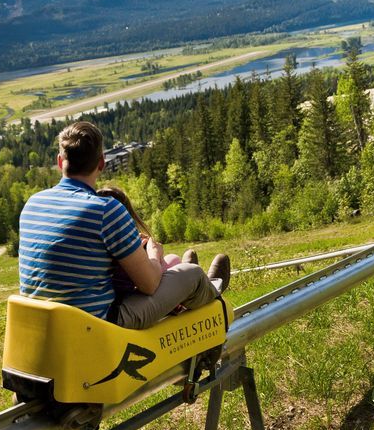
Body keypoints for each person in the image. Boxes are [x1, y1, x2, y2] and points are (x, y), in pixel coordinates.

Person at [18, 120, 230, 330]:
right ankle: (213, 296)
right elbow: (150, 285)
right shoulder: (105, 210)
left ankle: (201, 290)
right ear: (101, 163)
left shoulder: (32, 205)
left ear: (59, 161)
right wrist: (154, 255)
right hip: (96, 328)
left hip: (41, 328)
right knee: (191, 274)